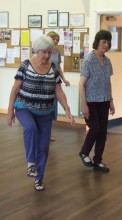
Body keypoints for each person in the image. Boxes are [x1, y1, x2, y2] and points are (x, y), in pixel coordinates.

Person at [6, 35, 74, 191]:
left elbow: (59, 91)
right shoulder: (25, 66)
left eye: (49, 52)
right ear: (37, 50)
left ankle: (39, 178)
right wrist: (10, 110)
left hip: (45, 112)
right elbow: (15, 89)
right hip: (24, 107)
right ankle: (31, 163)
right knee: (30, 128)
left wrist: (67, 110)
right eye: (44, 52)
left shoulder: (54, 68)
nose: (47, 56)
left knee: (43, 147)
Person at [78, 30, 115, 173]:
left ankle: (98, 160)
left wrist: (111, 101)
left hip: (104, 101)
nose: (106, 45)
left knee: (103, 132)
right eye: (103, 41)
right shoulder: (89, 60)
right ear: (97, 42)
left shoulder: (107, 61)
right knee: (95, 129)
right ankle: (84, 152)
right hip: (91, 101)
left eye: (108, 42)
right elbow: (81, 84)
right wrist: (84, 105)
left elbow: (108, 82)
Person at [47, 31, 70, 142]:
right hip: (45, 81)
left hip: (55, 81)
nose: (56, 41)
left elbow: (58, 67)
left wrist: (64, 79)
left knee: (52, 109)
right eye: (54, 39)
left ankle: (48, 133)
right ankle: (42, 133)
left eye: (57, 39)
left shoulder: (57, 51)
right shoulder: (45, 50)